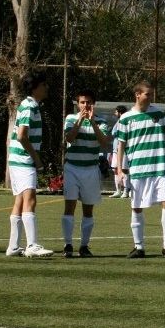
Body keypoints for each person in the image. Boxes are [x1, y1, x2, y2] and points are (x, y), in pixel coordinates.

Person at [114, 81, 165, 259]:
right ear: (137, 95)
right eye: (147, 94)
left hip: (159, 168)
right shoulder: (126, 118)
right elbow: (121, 146)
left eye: (151, 94)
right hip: (138, 170)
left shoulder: (159, 114)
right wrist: (119, 170)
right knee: (137, 208)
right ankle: (139, 247)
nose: (150, 97)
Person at [5, 72, 53, 258]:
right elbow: (21, 135)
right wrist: (36, 158)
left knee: (19, 200)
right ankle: (32, 245)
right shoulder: (29, 106)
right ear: (35, 87)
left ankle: (13, 246)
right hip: (23, 160)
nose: (46, 88)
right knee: (30, 198)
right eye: (44, 85)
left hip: (17, 159)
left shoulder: (30, 105)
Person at [60, 89, 111, 258]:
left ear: (93, 104)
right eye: (82, 102)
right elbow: (69, 138)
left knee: (88, 210)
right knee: (70, 207)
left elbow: (104, 142)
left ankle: (84, 246)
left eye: (88, 102)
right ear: (77, 104)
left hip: (90, 169)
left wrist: (93, 123)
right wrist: (80, 122)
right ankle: (68, 245)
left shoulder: (101, 121)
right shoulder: (70, 119)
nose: (85, 105)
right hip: (72, 168)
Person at [109, 105, 131, 198]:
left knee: (124, 170)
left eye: (116, 112)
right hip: (115, 150)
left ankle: (126, 190)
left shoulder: (126, 121)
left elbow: (118, 133)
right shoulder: (118, 122)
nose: (115, 113)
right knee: (115, 169)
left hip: (123, 149)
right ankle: (118, 190)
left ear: (120, 112)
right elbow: (113, 133)